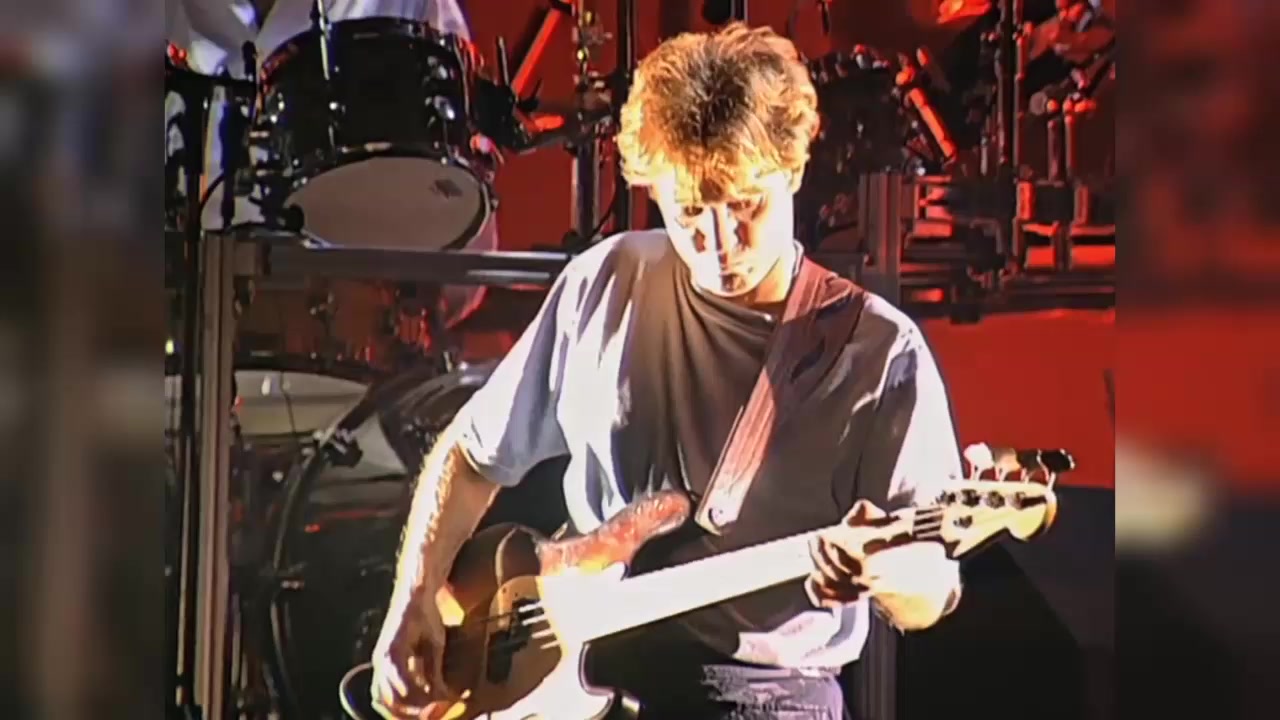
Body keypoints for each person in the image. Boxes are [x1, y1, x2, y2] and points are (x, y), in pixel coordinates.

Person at [371, 23, 965, 720]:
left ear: (795, 171)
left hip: (766, 698)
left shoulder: (879, 352)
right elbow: (471, 455)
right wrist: (414, 596)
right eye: (689, 212)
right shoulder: (605, 282)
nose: (718, 242)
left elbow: (932, 588)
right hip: (573, 683)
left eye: (745, 204)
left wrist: (889, 572)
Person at [165, 0, 491, 328]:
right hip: (176, 312)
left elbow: (462, 222)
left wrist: (401, 295)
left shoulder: (410, 4)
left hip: (341, 330)